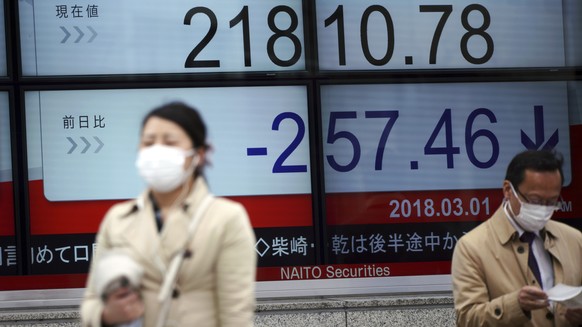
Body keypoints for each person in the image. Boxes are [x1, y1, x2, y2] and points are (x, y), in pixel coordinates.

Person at [80, 102, 257, 327]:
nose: (156, 151)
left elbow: (236, 315)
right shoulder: (118, 219)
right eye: (148, 142)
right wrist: (108, 315)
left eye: (170, 142)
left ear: (198, 154)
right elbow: (91, 303)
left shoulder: (225, 218)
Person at [451, 149, 582, 326]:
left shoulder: (574, 240)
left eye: (552, 202)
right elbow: (467, 319)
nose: (543, 209)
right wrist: (515, 305)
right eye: (535, 201)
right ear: (508, 190)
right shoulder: (472, 247)